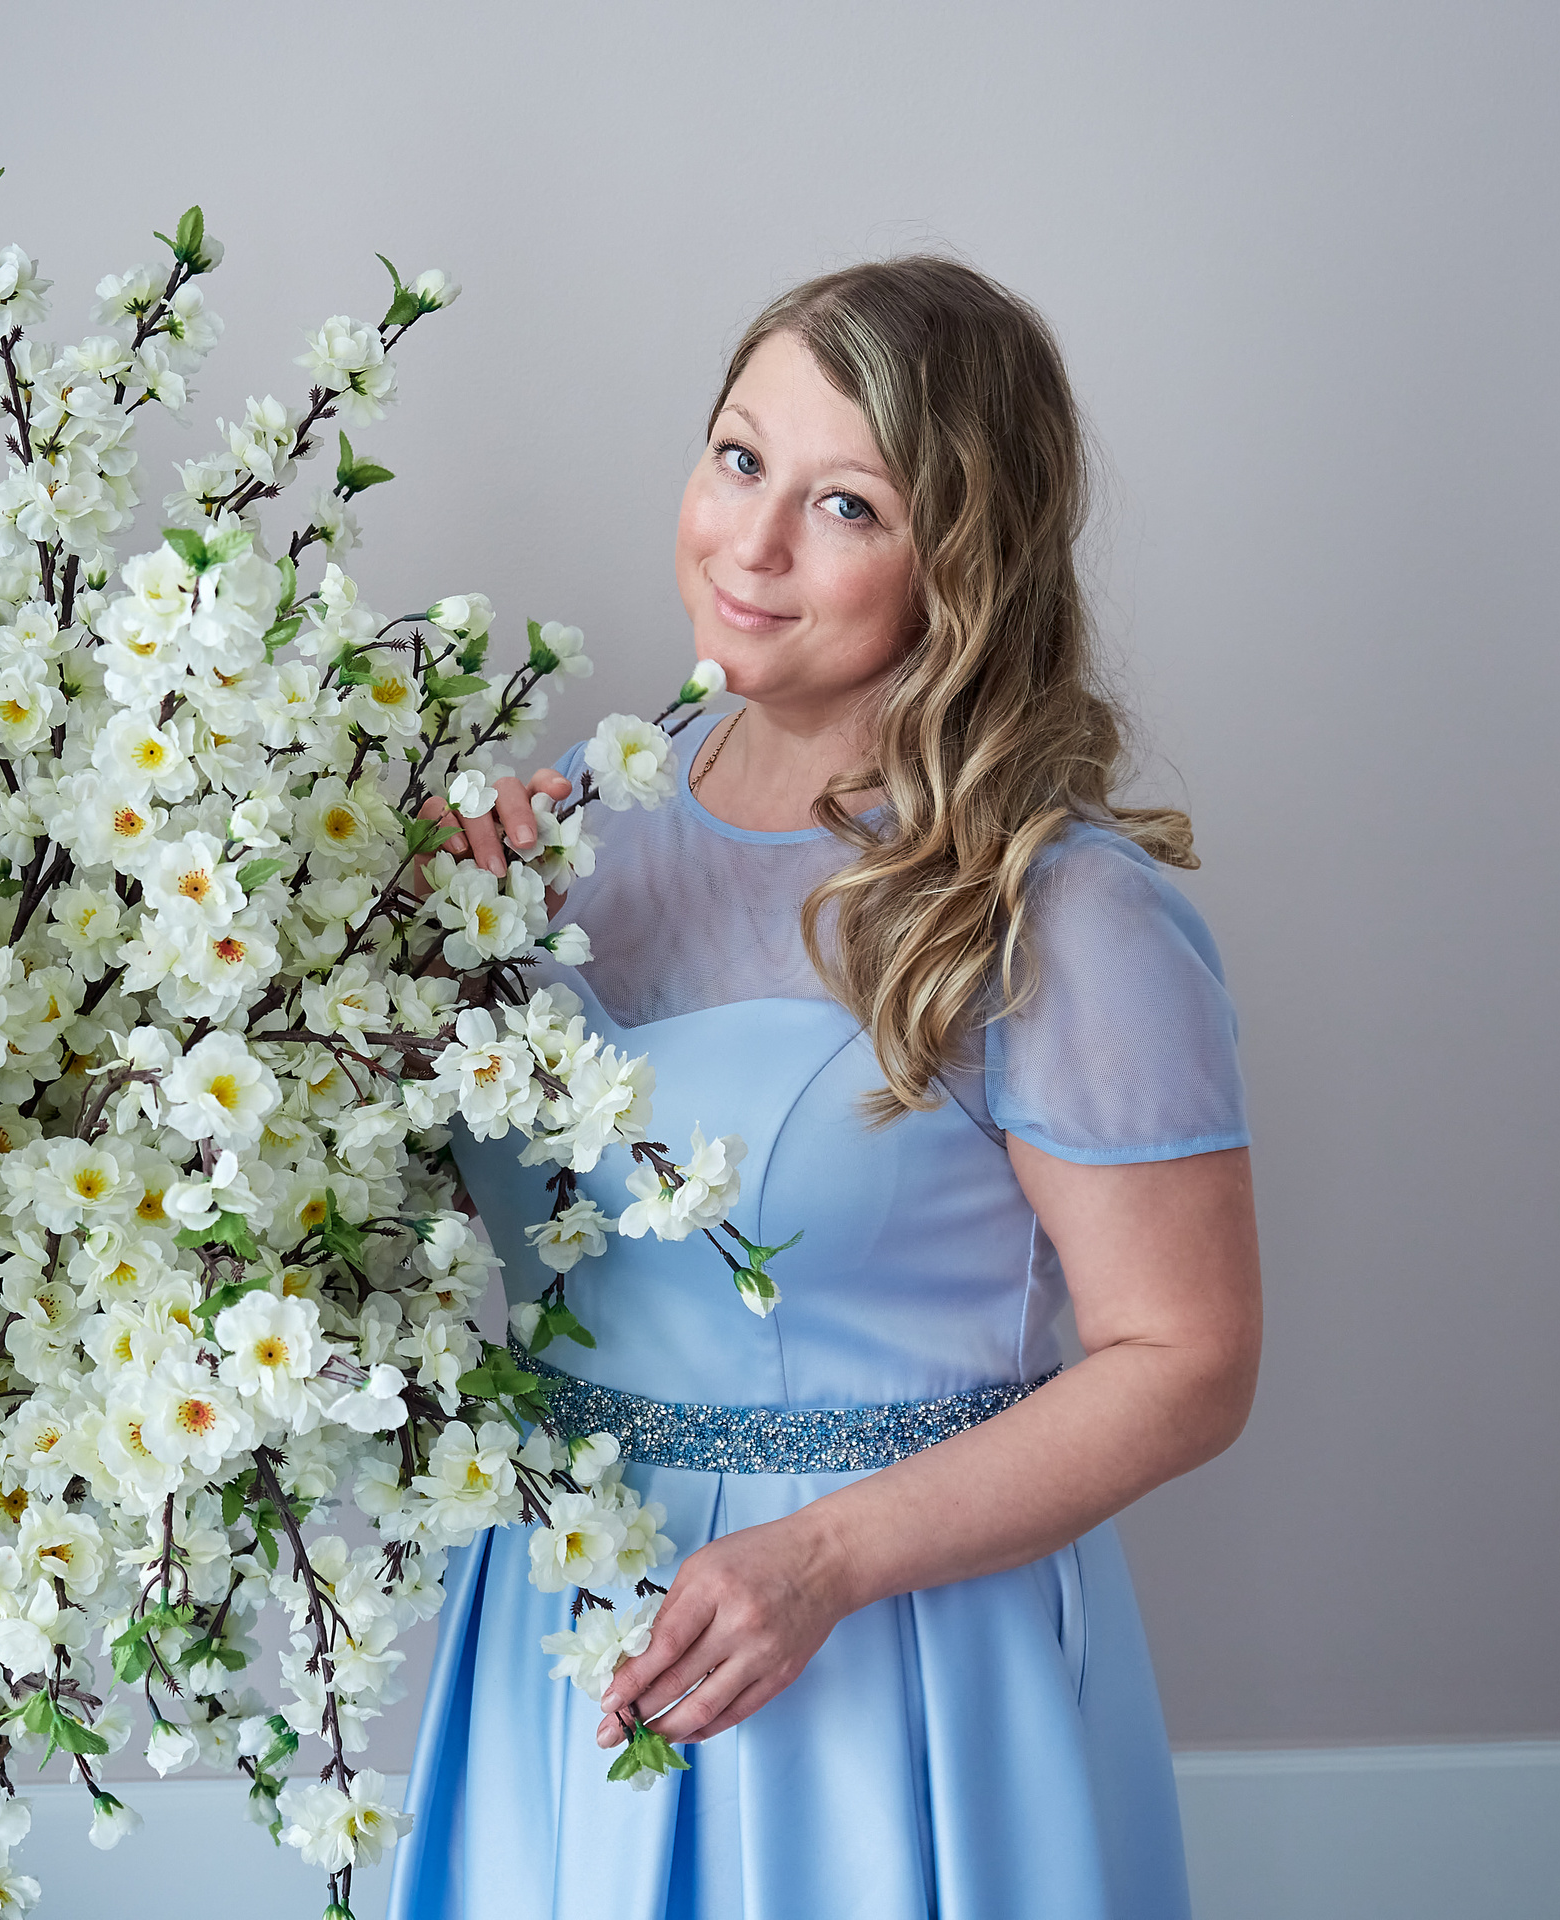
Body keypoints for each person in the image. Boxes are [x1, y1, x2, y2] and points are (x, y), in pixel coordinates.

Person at [386, 257, 1261, 1920]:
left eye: (845, 504)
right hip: (566, 1636)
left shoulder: (1055, 912)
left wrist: (828, 1559)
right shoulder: (546, 833)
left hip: (895, 1664)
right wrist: (414, 964)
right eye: (738, 459)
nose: (754, 541)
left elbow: (1190, 1361)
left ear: (966, 564)